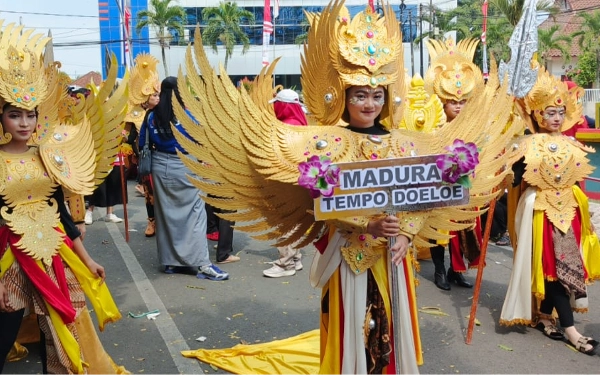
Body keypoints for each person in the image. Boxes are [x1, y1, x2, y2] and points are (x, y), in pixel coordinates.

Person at [0, 21, 128, 374]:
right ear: (2, 118)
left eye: (29, 115)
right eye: (14, 115)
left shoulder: (47, 154)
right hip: (9, 256)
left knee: (58, 330)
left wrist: (86, 260)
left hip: (53, 252)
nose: (23, 123)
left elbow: (61, 216)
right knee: (6, 326)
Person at [500, 67, 600, 355]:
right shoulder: (526, 144)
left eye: (559, 111)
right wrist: (507, 165)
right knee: (552, 269)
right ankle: (571, 330)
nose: (555, 118)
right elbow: (514, 180)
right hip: (540, 213)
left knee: (563, 267)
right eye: (549, 112)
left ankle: (545, 316)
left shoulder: (571, 143)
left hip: (571, 211)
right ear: (537, 115)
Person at [139, 76, 229, 280]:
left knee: (166, 215)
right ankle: (203, 264)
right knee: (196, 215)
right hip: (185, 166)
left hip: (159, 167)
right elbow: (202, 142)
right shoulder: (188, 116)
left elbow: (142, 141)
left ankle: (171, 262)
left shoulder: (150, 116)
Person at [422, 38, 484, 290]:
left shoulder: (473, 127)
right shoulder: (433, 127)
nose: (457, 106)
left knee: (464, 231)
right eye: (452, 102)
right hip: (440, 186)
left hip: (468, 186)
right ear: (442, 102)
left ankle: (455, 270)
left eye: (462, 102)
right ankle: (439, 271)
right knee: (440, 231)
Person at [262, 89, 308, 278]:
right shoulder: (300, 123)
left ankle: (285, 264)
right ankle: (295, 259)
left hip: (286, 181)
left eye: (277, 104)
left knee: (285, 222)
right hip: (299, 181)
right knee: (294, 222)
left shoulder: (286, 128)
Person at [126, 53, 161, 237]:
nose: (157, 98)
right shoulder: (135, 115)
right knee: (149, 194)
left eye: (158, 94)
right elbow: (127, 136)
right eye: (153, 95)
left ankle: (166, 222)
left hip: (165, 159)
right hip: (147, 161)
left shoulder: (164, 113)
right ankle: (151, 222)